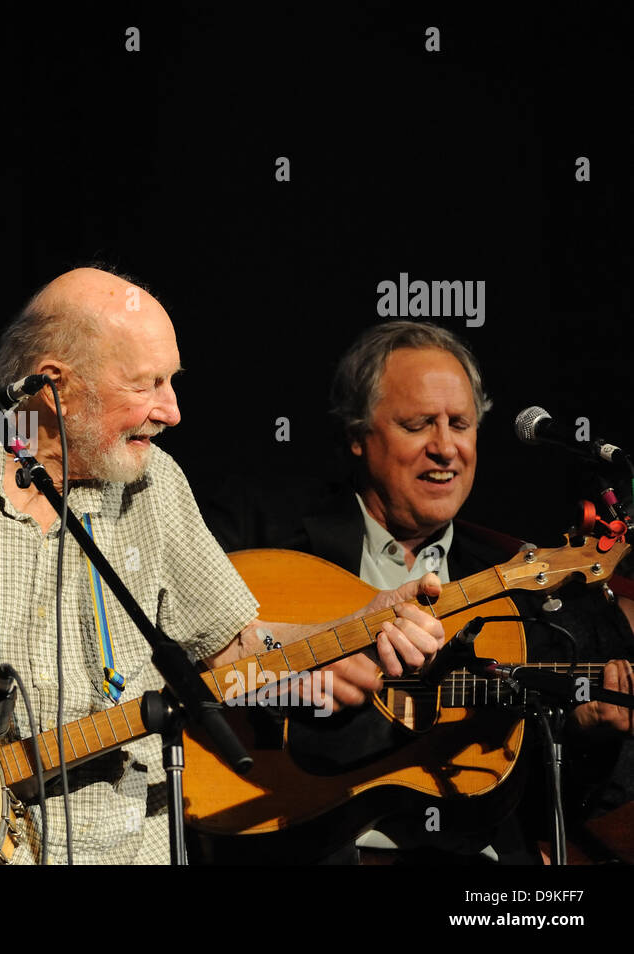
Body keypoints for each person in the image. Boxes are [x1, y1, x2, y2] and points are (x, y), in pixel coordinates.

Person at [0, 267, 446, 864]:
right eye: (147, 384)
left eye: (173, 381)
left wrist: (359, 625)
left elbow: (236, 652)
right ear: (53, 386)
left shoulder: (157, 488)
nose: (173, 411)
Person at [201, 319, 634, 862]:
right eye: (418, 424)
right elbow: (193, 673)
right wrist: (298, 675)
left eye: (460, 424)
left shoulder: (517, 584)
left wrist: (587, 732)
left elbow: (549, 807)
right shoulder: (263, 533)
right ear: (358, 435)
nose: (445, 448)